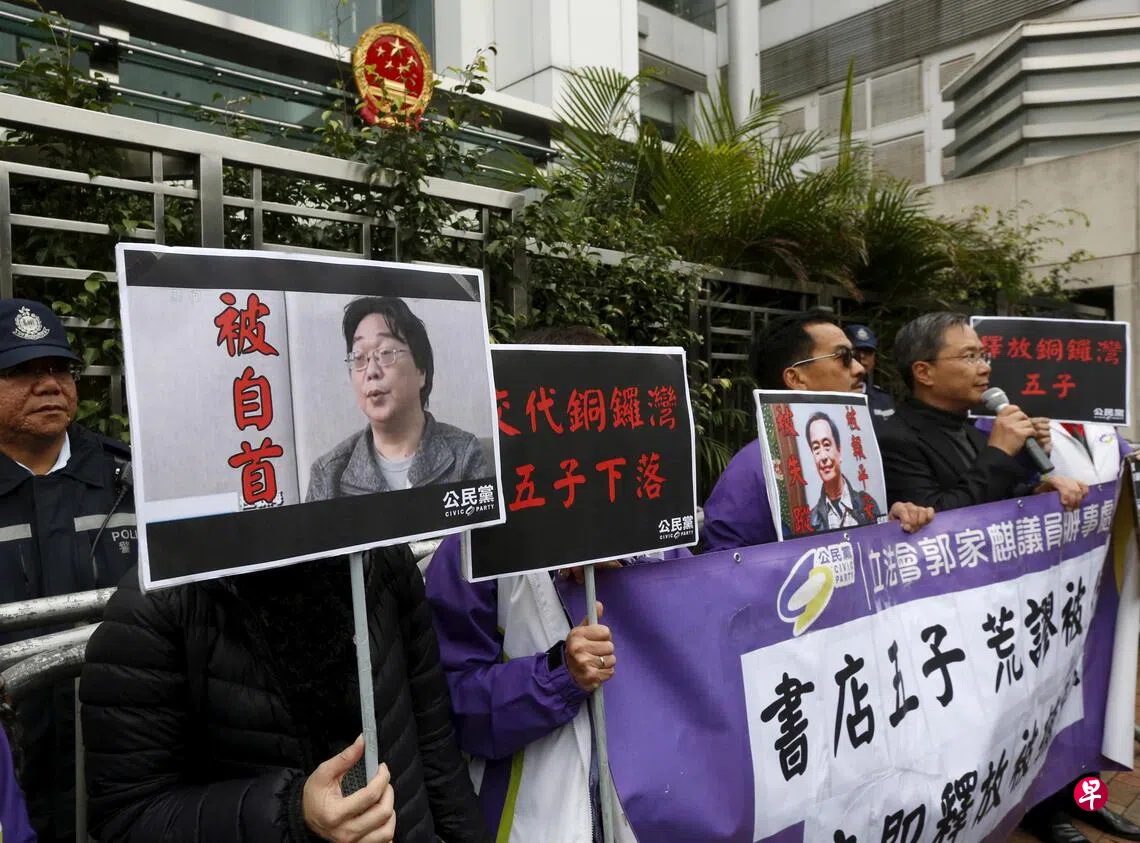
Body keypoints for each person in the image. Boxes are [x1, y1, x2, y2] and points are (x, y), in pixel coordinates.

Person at [425, 324, 678, 843]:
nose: (584, 437)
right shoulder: (476, 547)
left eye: (600, 412)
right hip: (537, 822)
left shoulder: (659, 535)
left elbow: (704, 640)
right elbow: (452, 708)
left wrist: (635, 585)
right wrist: (559, 674)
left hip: (655, 811)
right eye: (560, 415)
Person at [80, 544, 489, 843]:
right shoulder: (156, 603)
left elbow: (434, 744)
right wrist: (292, 812)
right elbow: (126, 816)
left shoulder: (380, 557)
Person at [0, 298, 135, 843]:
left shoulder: (127, 482)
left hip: (120, 765)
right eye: (23, 372)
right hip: (14, 776)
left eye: (60, 369)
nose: (50, 385)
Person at [702, 310, 934, 552]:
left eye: (855, 357)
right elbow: (724, 565)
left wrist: (890, 527)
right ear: (796, 378)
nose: (859, 368)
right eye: (844, 357)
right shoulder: (752, 469)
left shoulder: (862, 458)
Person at [1014, 419, 1139, 843]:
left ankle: (1088, 798)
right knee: (1052, 700)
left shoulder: (1102, 424)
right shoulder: (1012, 420)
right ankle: (1043, 810)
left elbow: (1124, 470)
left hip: (1100, 580)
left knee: (1094, 694)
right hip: (1045, 584)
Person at [878, 312, 1087, 513]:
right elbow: (937, 518)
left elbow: (998, 496)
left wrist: (1038, 494)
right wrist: (999, 451)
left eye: (982, 356)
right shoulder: (895, 440)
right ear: (924, 372)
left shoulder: (969, 432)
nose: (985, 368)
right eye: (969, 357)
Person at [307, 296, 489, 500]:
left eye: (385, 353)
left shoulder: (464, 455)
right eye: (359, 358)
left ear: (421, 371)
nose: (371, 371)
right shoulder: (327, 474)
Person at [805, 411, 882, 531]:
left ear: (839, 450)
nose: (823, 456)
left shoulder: (867, 503)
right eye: (816, 448)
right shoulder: (812, 521)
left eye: (827, 445)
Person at [845, 323, 895, 422]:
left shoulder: (883, 400)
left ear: (874, 360)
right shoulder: (829, 396)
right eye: (856, 351)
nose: (862, 356)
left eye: (868, 352)